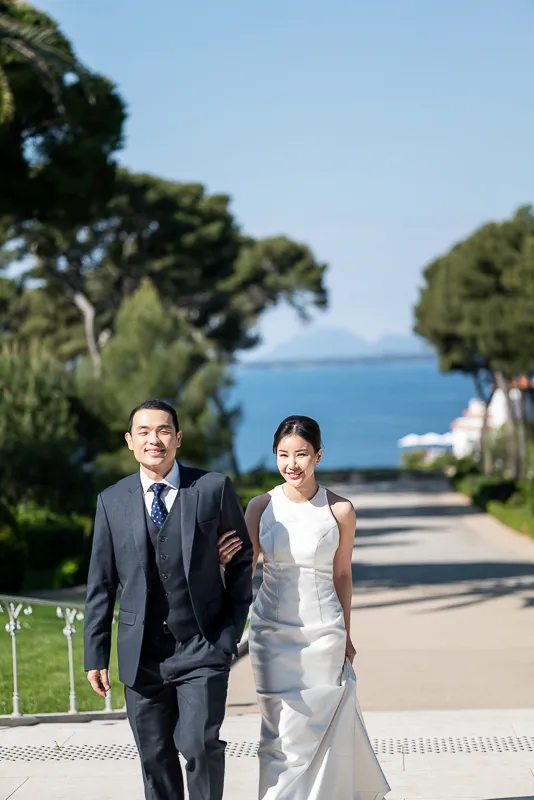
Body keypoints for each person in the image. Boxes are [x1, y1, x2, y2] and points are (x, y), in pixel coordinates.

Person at [84, 399, 253, 800]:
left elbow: (242, 558)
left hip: (203, 645)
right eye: (143, 432)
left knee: (199, 746)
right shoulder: (111, 500)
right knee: (155, 758)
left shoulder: (212, 488)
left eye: (163, 430)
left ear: (177, 437)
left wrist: (229, 632)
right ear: (130, 441)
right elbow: (101, 582)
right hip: (141, 654)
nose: (153, 440)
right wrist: (96, 653)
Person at [218, 415, 390, 800]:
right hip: (270, 633)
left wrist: (346, 633)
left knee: (317, 727)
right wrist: (222, 575)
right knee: (278, 731)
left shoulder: (340, 510)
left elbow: (342, 575)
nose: (292, 463)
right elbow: (242, 573)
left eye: (301, 454)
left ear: (318, 455)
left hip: (323, 633)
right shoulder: (260, 507)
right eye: (283, 454)